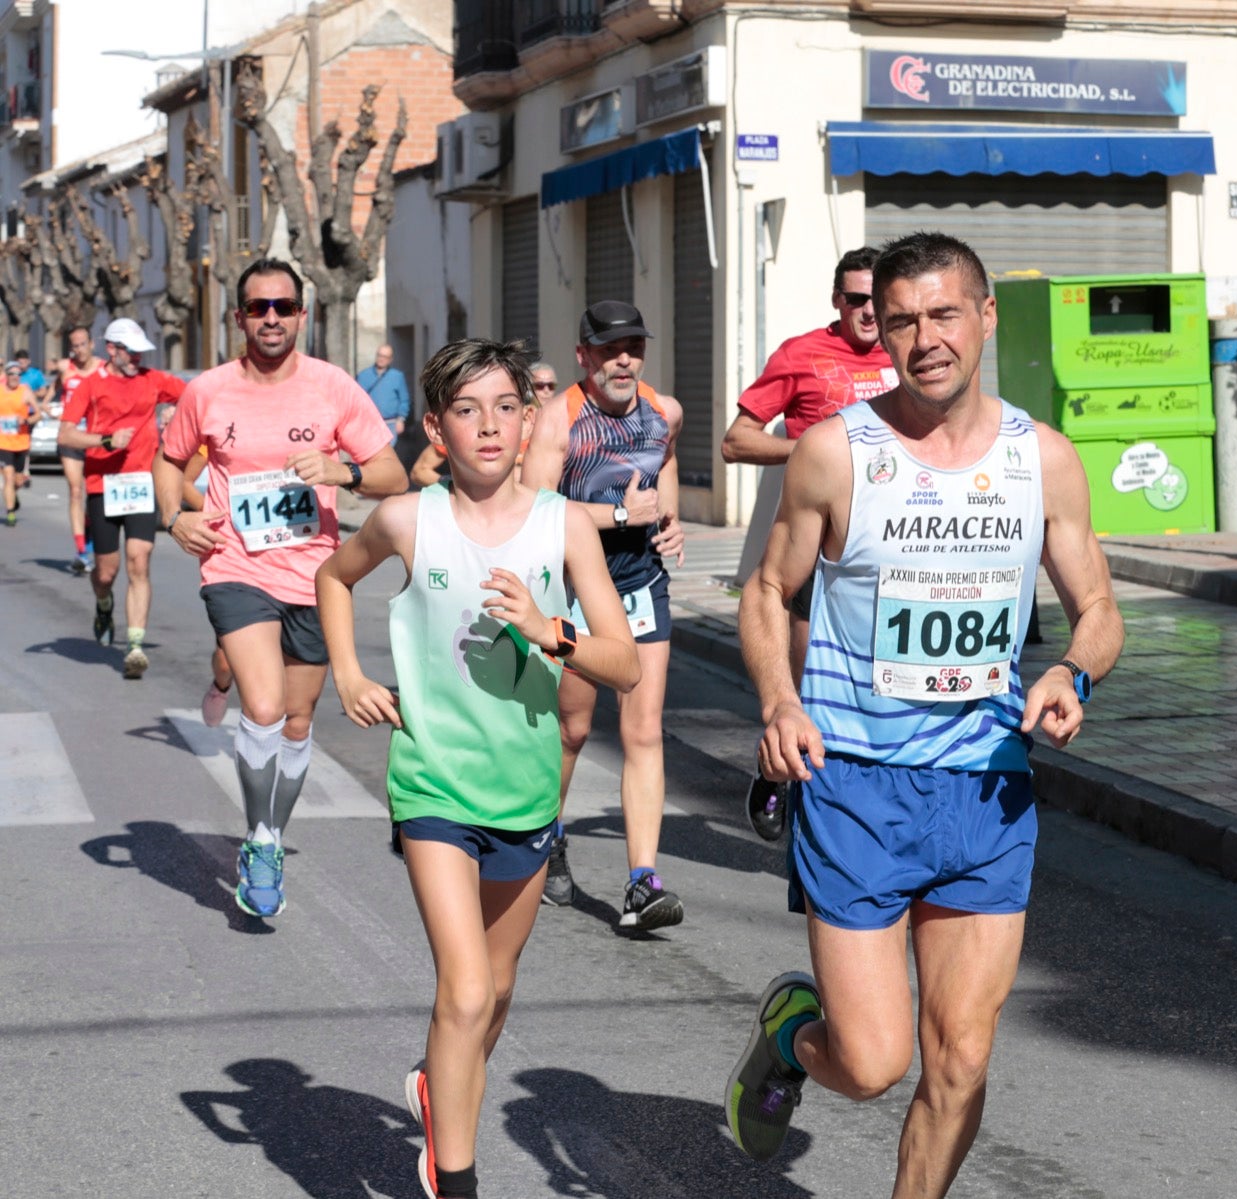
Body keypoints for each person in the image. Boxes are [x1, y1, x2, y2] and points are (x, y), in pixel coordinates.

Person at [724, 232, 1124, 1195]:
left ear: (986, 318)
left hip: (986, 785)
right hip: (855, 780)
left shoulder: (1046, 461)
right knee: (872, 1064)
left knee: (961, 1057)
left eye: (945, 314)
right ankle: (790, 1031)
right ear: (881, 331)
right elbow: (766, 593)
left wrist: (1072, 671)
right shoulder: (834, 453)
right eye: (902, 319)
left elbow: (1100, 611)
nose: (925, 337)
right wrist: (780, 701)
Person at [318, 339, 640, 1199]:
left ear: (527, 418)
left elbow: (624, 664)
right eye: (467, 410)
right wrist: (349, 676)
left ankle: (437, 1086)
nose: (489, 425)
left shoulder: (564, 525)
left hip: (526, 788)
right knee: (462, 990)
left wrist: (550, 631)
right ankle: (455, 1178)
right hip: (431, 781)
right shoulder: (406, 520)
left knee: (492, 995)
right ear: (436, 427)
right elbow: (333, 578)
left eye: (505, 406)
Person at [154, 258, 406, 919]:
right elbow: (168, 458)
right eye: (258, 307)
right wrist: (175, 517)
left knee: (298, 722)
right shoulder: (208, 390)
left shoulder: (333, 388)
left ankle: (269, 831)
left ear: (302, 314)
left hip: (318, 576)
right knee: (263, 708)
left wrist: (341, 469)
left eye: (283, 307)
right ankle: (262, 842)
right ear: (239, 316)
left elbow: (392, 472)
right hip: (236, 566)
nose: (271, 317)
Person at [722, 246, 897, 843]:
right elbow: (736, 441)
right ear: (836, 301)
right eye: (856, 299)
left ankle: (862, 803)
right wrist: (811, 453)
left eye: (878, 297)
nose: (869, 311)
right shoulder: (801, 355)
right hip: (814, 547)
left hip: (894, 547)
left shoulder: (911, 350)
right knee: (805, 683)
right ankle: (777, 769)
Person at [520, 302, 685, 922]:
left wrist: (669, 522)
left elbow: (664, 461)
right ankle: (547, 835)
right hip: (574, 588)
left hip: (640, 581)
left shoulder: (662, 410)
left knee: (643, 731)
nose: (624, 360)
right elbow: (536, 514)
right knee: (575, 729)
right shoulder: (557, 424)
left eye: (634, 347)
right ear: (584, 356)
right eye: (610, 349)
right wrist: (620, 516)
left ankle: (643, 882)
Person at [56, 319, 184, 678]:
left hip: (142, 482)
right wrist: (105, 441)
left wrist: (175, 415)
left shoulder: (152, 379)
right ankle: (102, 601)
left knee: (139, 560)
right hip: (104, 484)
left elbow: (193, 396)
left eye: (142, 350)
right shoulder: (92, 385)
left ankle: (135, 646)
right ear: (111, 349)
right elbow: (66, 434)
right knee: (107, 572)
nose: (139, 356)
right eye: (132, 350)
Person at [412, 361, 555, 489]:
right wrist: (454, 486)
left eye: (551, 386)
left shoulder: (561, 426)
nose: (546, 391)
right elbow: (419, 471)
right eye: (540, 386)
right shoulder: (465, 431)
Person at [54, 328, 108, 572]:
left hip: (97, 438)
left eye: (82, 344)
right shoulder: (66, 369)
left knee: (95, 494)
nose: (79, 349)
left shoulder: (104, 369)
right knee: (76, 491)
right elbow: (55, 391)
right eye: (74, 346)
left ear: (91, 343)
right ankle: (81, 552)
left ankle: (90, 535)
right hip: (71, 439)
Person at [0, 360, 36, 525]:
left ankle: (13, 495)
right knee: (8, 476)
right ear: (6, 375)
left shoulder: (25, 392)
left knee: (18, 480)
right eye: (12, 374)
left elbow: (38, 414)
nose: (15, 377)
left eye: (18, 374)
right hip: (3, 442)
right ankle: (10, 513)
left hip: (21, 442)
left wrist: (26, 420)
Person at [357, 343, 413, 443]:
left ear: (390, 359)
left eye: (385, 357)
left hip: (390, 424)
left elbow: (404, 400)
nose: (381, 359)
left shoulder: (397, 376)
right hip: (369, 423)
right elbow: (356, 400)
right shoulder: (363, 376)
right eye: (380, 355)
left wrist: (401, 419)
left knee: (388, 455)